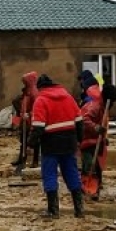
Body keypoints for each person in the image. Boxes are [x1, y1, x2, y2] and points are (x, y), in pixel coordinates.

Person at [29, 74, 84, 218]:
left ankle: (53, 211)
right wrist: (79, 140)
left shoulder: (41, 100)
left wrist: (31, 143)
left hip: (50, 143)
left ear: (40, 87)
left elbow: (38, 127)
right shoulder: (68, 97)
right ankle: (79, 210)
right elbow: (79, 121)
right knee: (71, 173)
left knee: (50, 175)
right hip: (69, 141)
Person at [80, 84, 116, 200]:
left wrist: (104, 137)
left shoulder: (104, 107)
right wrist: (96, 128)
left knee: (98, 167)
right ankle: (86, 188)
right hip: (87, 140)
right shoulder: (95, 106)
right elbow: (84, 120)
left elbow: (103, 123)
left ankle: (96, 189)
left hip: (96, 141)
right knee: (88, 165)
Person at [11, 71, 40, 168]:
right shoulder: (26, 91)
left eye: (25, 81)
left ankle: (35, 161)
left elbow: (37, 107)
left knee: (34, 141)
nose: (24, 83)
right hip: (25, 120)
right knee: (23, 140)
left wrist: (30, 114)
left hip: (32, 120)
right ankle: (21, 158)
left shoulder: (34, 92)